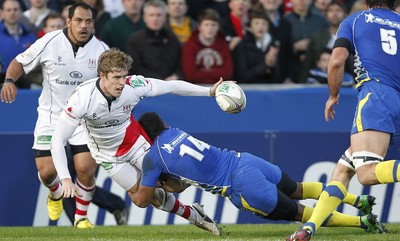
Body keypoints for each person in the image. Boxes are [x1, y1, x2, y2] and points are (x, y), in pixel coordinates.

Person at [49, 48, 223, 235]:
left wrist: (209, 92)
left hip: (136, 145)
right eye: (116, 77)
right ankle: (195, 215)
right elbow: (57, 141)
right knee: (142, 200)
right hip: (108, 156)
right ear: (102, 75)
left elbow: (171, 86)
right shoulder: (82, 99)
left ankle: (202, 179)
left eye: (124, 76)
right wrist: (65, 178)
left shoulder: (134, 86)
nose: (122, 83)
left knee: (175, 186)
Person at [133, 112, 385, 234]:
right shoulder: (177, 131)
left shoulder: (154, 158)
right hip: (246, 160)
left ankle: (362, 222)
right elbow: (190, 173)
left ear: (146, 135)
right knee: (298, 188)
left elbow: (143, 200)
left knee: (299, 213)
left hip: (239, 184)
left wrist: (143, 186)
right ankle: (358, 200)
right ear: (164, 125)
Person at [286, 0, 399, 240]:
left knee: (366, 173)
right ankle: (308, 229)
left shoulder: (355, 20)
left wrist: (333, 95)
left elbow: (337, 60)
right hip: (397, 97)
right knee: (343, 170)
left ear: (367, 3)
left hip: (377, 95)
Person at [0, 2, 113, 228]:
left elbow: (112, 81)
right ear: (68, 21)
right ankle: (55, 194)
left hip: (84, 120)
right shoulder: (50, 41)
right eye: (79, 21)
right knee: (46, 172)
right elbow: (19, 62)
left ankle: (81, 218)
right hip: (51, 117)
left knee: (86, 170)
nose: (84, 26)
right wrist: (10, 81)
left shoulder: (102, 50)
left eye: (88, 21)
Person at [126, 0, 182, 80]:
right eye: (151, 15)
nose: (155, 19)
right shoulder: (135, 40)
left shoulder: (172, 38)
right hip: (146, 85)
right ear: (145, 17)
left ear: (165, 17)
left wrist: (177, 75)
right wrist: (160, 80)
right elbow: (135, 67)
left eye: (159, 15)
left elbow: (180, 63)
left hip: (171, 84)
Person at [181, 8, 233, 84]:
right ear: (200, 27)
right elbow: (190, 75)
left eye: (213, 25)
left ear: (218, 27)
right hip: (196, 88)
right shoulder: (189, 46)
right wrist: (216, 74)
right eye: (206, 25)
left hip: (219, 88)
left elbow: (227, 73)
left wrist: (201, 72)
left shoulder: (223, 45)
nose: (210, 28)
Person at [284, 0, 328, 83]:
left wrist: (312, 45)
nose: (301, 1)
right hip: (290, 68)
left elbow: (326, 44)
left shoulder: (320, 21)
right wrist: (294, 47)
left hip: (316, 69)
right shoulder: (285, 20)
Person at [232, 9, 279, 83]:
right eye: (256, 23)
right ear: (250, 27)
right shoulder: (242, 46)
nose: (260, 27)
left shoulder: (273, 46)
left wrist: (272, 65)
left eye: (264, 24)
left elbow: (278, 79)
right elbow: (241, 77)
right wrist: (265, 65)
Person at [0, 0, 36, 88]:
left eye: (15, 9)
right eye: (8, 10)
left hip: (27, 82)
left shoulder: (31, 35)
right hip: (2, 81)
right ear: (2, 12)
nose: (12, 13)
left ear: (21, 12)